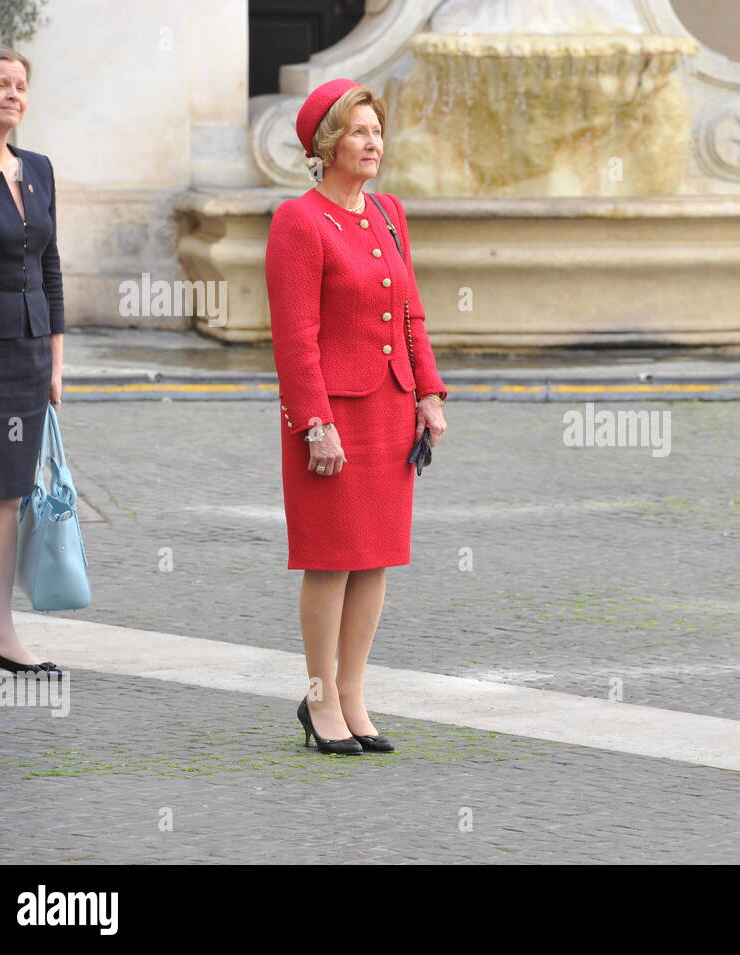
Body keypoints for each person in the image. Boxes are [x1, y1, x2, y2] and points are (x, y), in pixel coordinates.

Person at [265, 78, 448, 754]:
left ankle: (353, 695)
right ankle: (319, 701)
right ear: (326, 143)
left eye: (377, 130)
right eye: (359, 131)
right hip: (331, 419)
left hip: (392, 409)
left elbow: (410, 314)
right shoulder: (298, 220)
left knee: (374, 559)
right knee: (331, 560)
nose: (373, 142)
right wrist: (315, 422)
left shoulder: (390, 213)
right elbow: (294, 335)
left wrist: (429, 393)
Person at [0, 45, 65, 683]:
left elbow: (50, 267)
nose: (14, 94)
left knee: (7, 494)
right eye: (0, 83)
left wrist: (56, 358)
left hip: (28, 353)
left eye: (22, 85)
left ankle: (0, 632)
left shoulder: (38, 169)